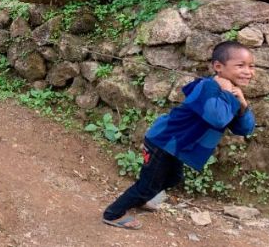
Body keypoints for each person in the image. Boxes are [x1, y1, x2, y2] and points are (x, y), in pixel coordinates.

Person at [102, 40, 256, 229]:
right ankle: (113, 214)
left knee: (174, 178)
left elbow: (244, 129)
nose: (248, 71)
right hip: (163, 141)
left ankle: (141, 199)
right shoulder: (207, 87)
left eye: (251, 66)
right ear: (218, 67)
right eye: (240, 65)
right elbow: (217, 118)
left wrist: (243, 105)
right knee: (148, 185)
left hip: (177, 146)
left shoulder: (231, 94)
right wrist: (226, 92)